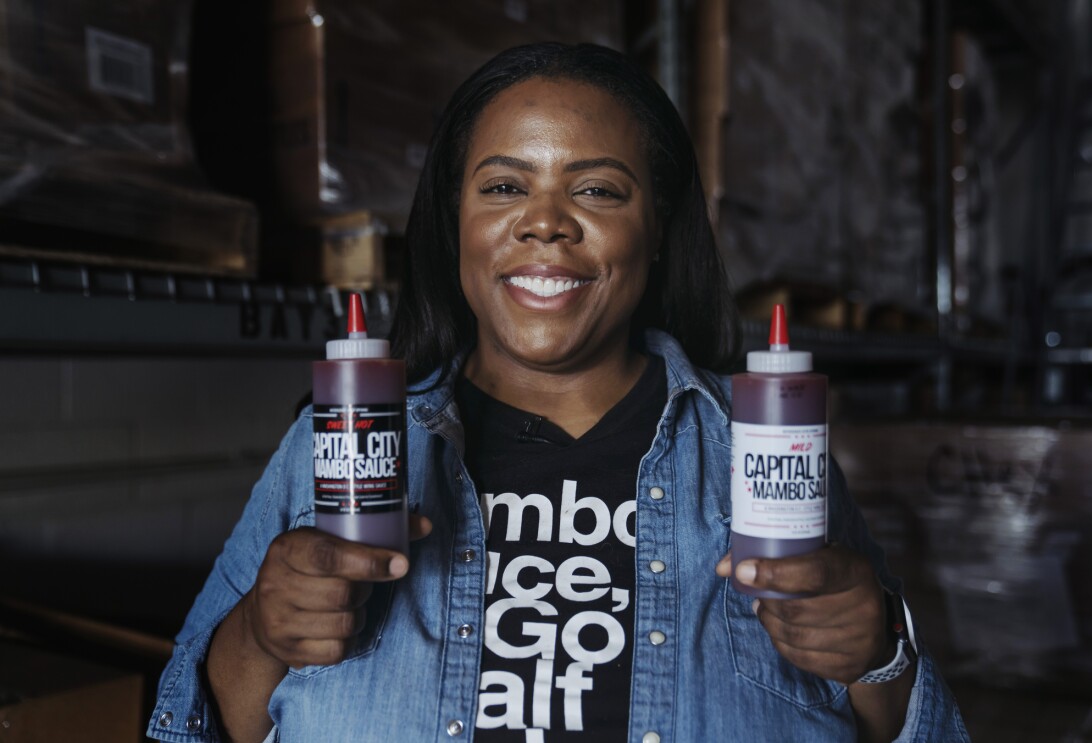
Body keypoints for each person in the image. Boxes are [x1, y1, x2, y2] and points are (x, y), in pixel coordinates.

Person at [148, 43, 969, 742]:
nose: (545, 222)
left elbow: (892, 708)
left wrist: (878, 651)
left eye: (597, 189)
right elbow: (199, 715)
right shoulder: (343, 441)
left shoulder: (762, 445)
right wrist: (261, 629)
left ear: (656, 231)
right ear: (455, 225)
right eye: (503, 187)